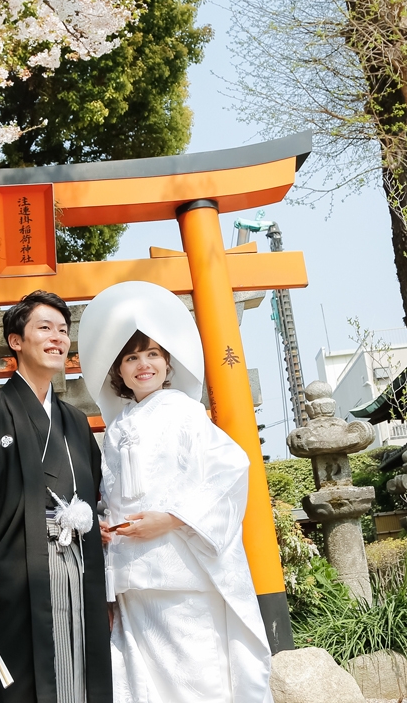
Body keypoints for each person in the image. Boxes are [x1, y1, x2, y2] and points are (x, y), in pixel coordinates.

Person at [77, 281, 273, 703]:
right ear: (119, 371)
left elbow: (230, 470)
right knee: (142, 680)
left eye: (152, 355)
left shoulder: (186, 413)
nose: (142, 365)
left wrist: (171, 519)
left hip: (180, 569)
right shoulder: (116, 430)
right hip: (133, 577)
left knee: (196, 675)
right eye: (131, 357)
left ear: (168, 363)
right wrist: (106, 528)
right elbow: (111, 495)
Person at [0, 290, 113, 703]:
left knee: (77, 673)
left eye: (63, 331)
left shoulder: (75, 422)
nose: (57, 338)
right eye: (44, 328)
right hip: (10, 579)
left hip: (76, 572)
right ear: (16, 341)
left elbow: (96, 493)